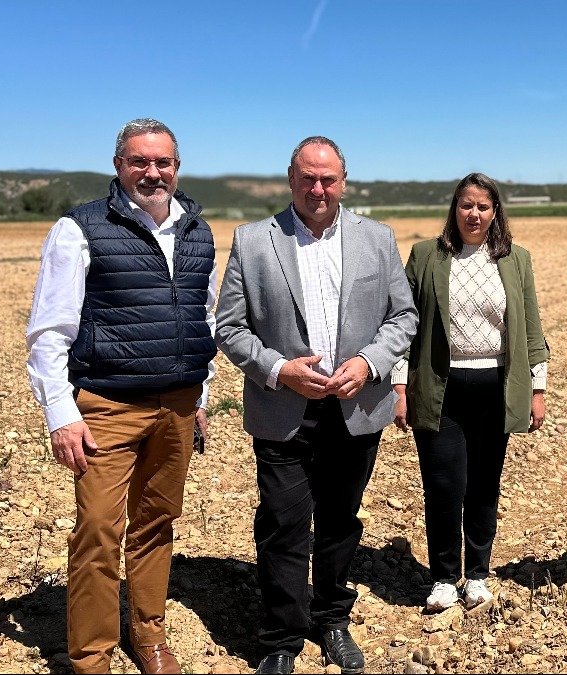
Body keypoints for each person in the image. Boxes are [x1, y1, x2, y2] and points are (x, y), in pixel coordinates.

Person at [215, 136, 417, 675]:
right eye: (308, 177)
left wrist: (370, 363)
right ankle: (281, 638)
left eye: (328, 178)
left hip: (355, 408)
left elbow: (404, 318)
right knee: (283, 523)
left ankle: (331, 619)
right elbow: (229, 327)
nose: (318, 188)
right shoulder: (254, 241)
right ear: (291, 178)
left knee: (340, 521)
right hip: (284, 409)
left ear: (343, 181)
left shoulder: (377, 238)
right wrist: (281, 369)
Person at [25, 118, 216, 674]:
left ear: (177, 168)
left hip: (177, 405)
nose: (152, 173)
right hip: (107, 405)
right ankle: (91, 656)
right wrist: (61, 414)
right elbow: (49, 332)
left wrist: (200, 395)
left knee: (157, 524)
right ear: (119, 166)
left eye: (163, 163)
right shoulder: (79, 228)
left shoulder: (197, 228)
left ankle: (149, 635)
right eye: (140, 162)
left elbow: (199, 318)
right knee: (99, 534)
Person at [390, 173, 549, 612]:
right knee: (443, 485)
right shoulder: (425, 256)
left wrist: (537, 389)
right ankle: (443, 577)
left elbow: (532, 329)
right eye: (465, 205)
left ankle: (477, 573)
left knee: (483, 486)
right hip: (441, 387)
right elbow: (404, 327)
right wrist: (400, 386)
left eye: (482, 206)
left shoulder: (516, 260)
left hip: (495, 388)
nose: (473, 214)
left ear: (495, 212)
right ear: (453, 209)